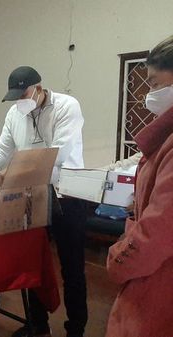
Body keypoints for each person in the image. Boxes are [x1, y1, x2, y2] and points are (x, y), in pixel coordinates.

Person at [0, 66, 86, 337]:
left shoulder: (67, 107)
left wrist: (14, 171)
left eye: (24, 94)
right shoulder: (15, 113)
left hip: (66, 195)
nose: (19, 101)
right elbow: (3, 147)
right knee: (31, 262)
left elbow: (57, 153)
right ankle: (37, 324)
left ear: (38, 87)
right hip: (31, 195)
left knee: (72, 268)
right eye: (15, 97)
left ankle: (76, 328)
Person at [106, 35, 173, 337]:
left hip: (159, 280)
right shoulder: (163, 140)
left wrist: (118, 257)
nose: (150, 93)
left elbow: (159, 229)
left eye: (156, 83)